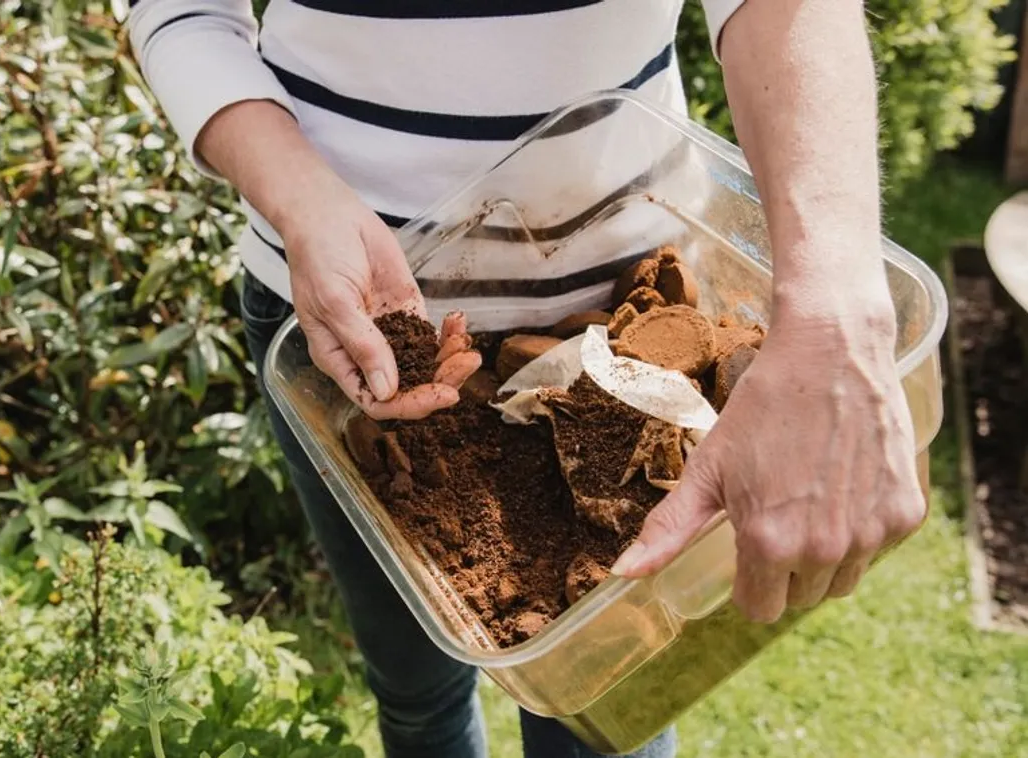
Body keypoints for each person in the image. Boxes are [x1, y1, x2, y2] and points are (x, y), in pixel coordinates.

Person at [130, 1, 928, 756]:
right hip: (349, 332)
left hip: (631, 327)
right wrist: (299, 199)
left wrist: (834, 318)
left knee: (608, 718)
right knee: (416, 692)